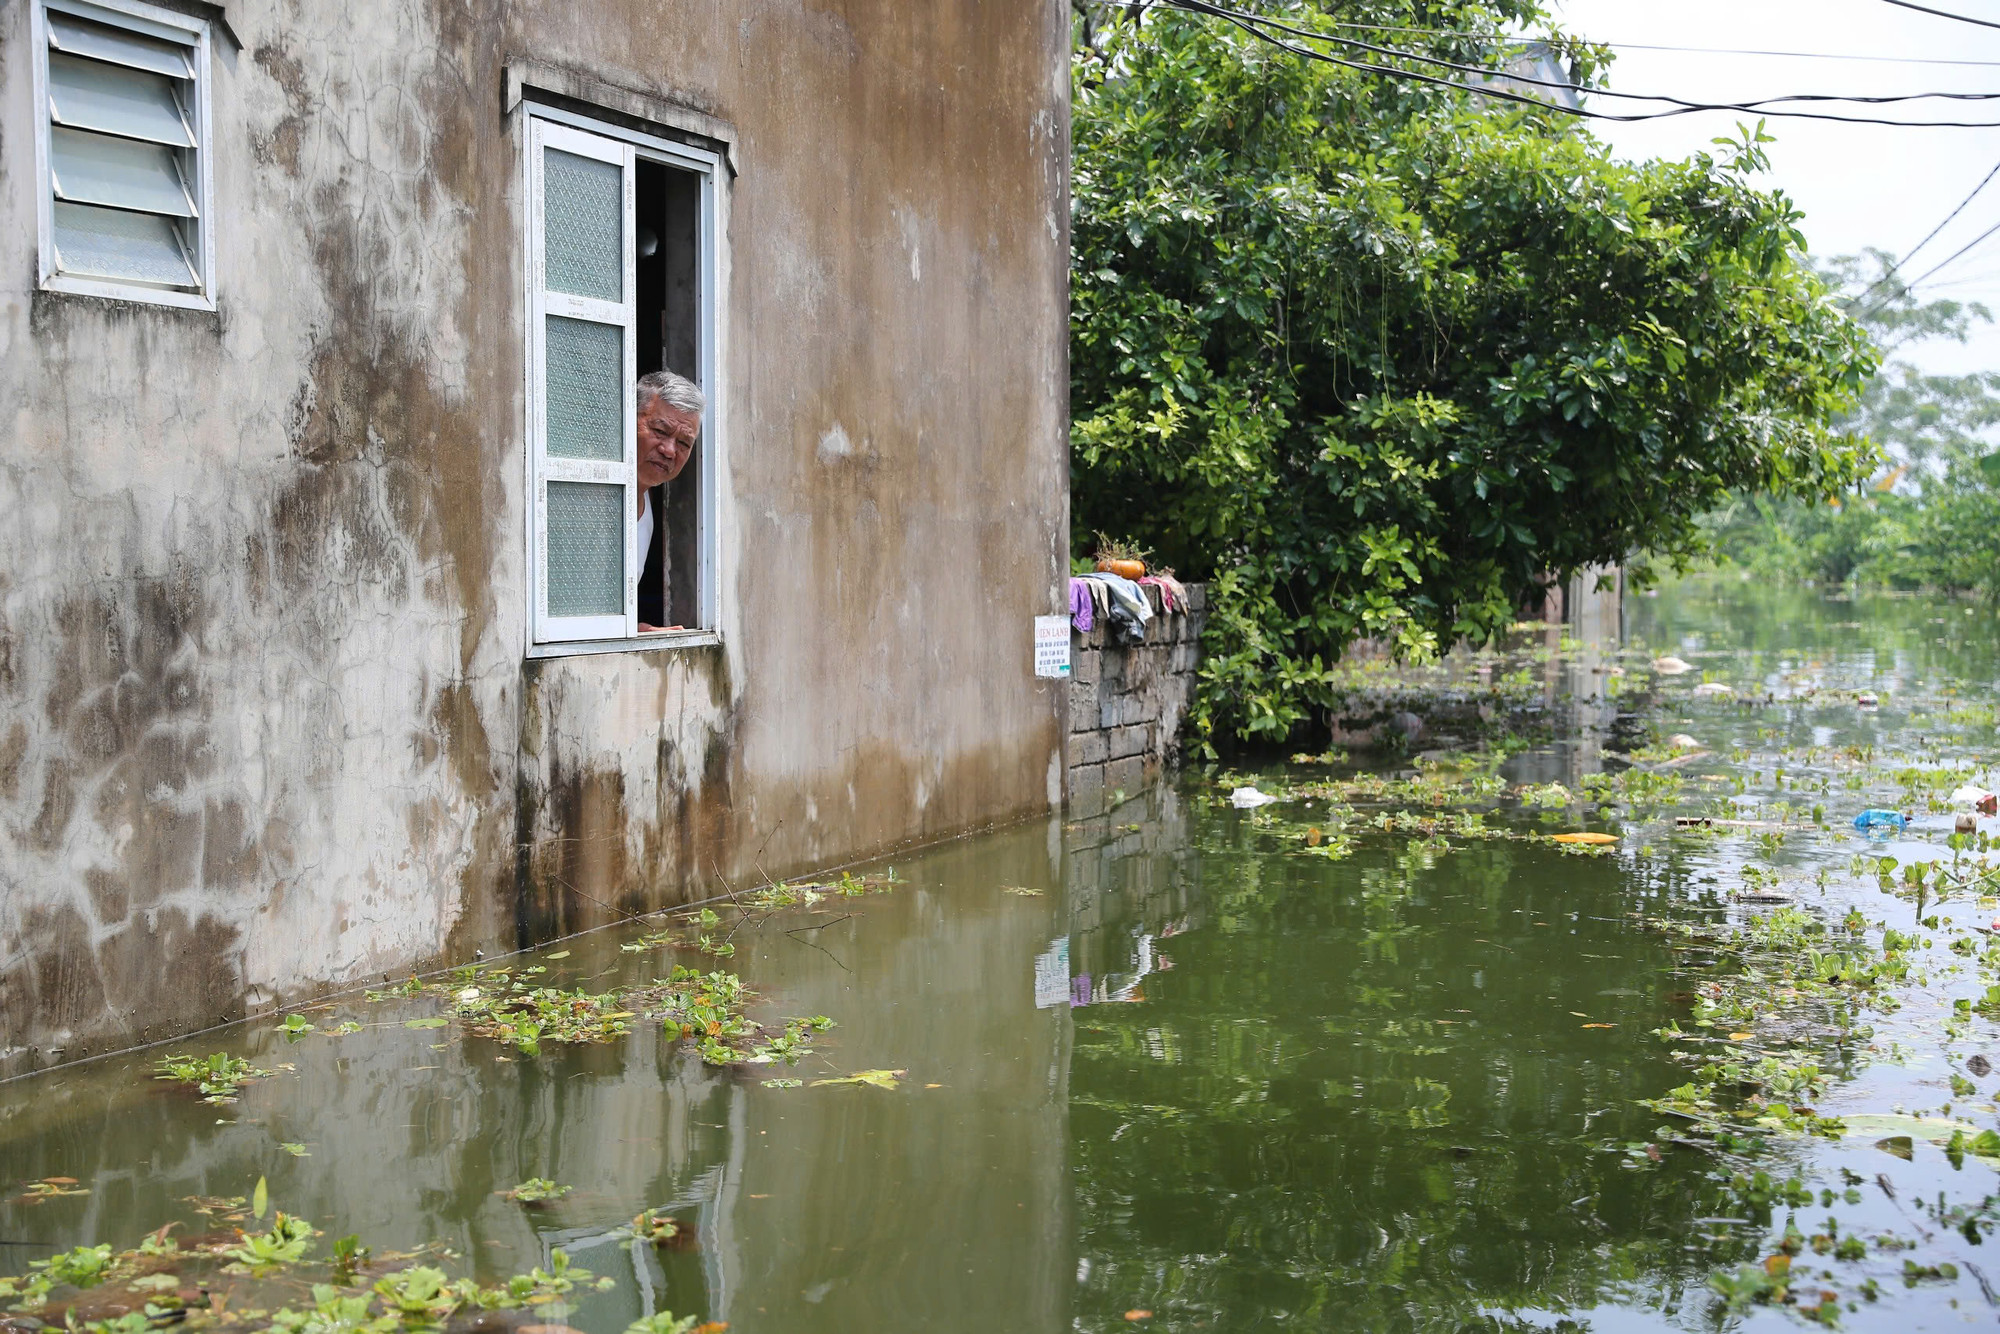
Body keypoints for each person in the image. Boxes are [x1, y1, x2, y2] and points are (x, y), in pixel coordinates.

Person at [634, 370, 703, 633]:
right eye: (660, 431)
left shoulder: (648, 498)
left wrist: (637, 630)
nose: (670, 451)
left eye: (684, 443)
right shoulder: (586, 495)